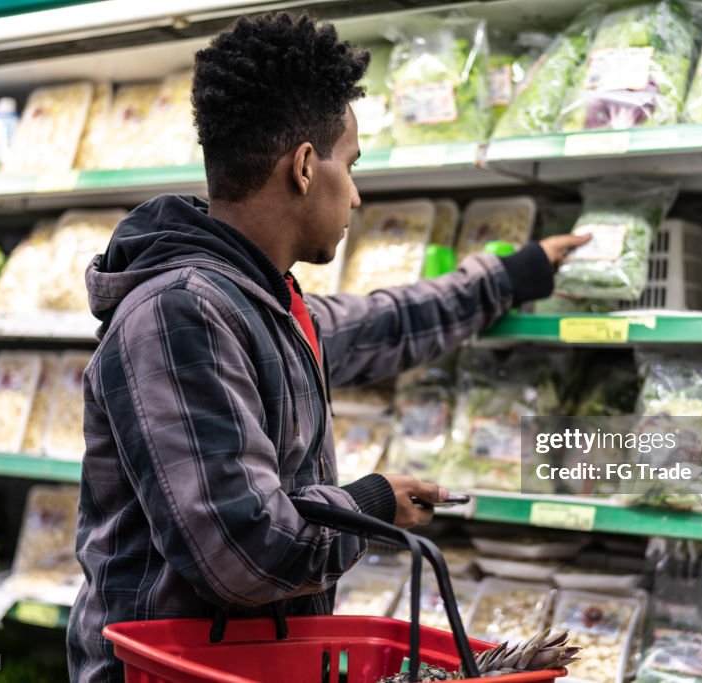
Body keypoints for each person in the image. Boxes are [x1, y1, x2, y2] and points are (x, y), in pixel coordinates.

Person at [65, 10, 587, 682]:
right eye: (352, 165)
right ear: (307, 167)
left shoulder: (261, 301)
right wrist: (372, 504)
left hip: (249, 663)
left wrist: (516, 274)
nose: (359, 194)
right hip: (171, 671)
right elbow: (240, 548)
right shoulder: (177, 314)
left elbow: (382, 323)